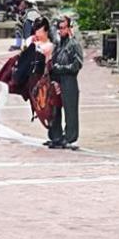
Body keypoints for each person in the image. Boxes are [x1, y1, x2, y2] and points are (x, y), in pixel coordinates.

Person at [47, 15, 84, 150]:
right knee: (55, 109)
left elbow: (77, 65)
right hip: (57, 79)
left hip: (69, 79)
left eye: (63, 28)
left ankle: (70, 137)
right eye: (59, 28)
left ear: (69, 28)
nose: (60, 30)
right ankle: (56, 136)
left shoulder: (74, 44)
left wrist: (60, 68)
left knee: (70, 110)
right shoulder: (58, 44)